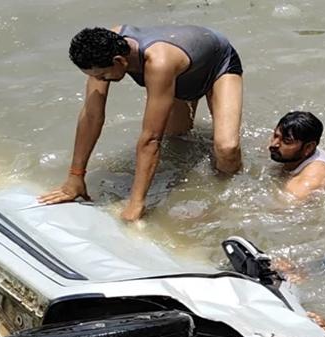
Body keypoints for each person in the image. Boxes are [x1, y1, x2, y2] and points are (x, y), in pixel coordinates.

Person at [40, 25, 244, 221]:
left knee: (227, 149)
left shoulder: (158, 63)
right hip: (181, 73)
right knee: (178, 140)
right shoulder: (104, 45)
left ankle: (228, 199)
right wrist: (76, 176)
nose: (101, 80)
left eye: (103, 76)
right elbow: (92, 116)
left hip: (218, 63)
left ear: (119, 60)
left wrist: (135, 203)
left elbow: (151, 139)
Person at [269, 111, 325, 200]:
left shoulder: (306, 183)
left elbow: (282, 209)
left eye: (287, 141)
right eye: (275, 135)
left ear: (308, 147)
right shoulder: (280, 147)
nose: (273, 144)